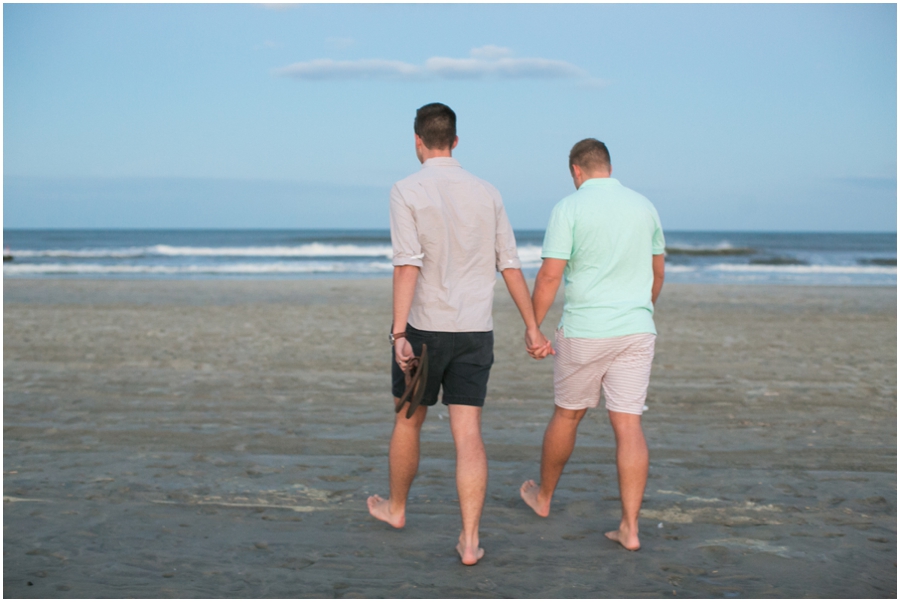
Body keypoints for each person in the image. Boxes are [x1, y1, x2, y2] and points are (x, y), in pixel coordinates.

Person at [367, 102, 551, 566]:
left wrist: (397, 333)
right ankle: (470, 540)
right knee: (468, 433)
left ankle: (397, 509)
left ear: (416, 141)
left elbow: (407, 261)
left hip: (425, 327)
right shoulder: (487, 191)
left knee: (408, 420)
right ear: (455, 140)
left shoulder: (406, 189)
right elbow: (509, 262)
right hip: (475, 329)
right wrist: (532, 326)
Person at [520, 138, 665, 551]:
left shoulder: (570, 207)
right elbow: (658, 272)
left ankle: (544, 497)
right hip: (637, 328)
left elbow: (550, 276)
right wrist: (641, 312)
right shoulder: (644, 206)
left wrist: (534, 327)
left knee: (568, 416)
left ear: (576, 171)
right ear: (608, 166)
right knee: (629, 423)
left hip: (586, 329)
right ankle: (630, 528)